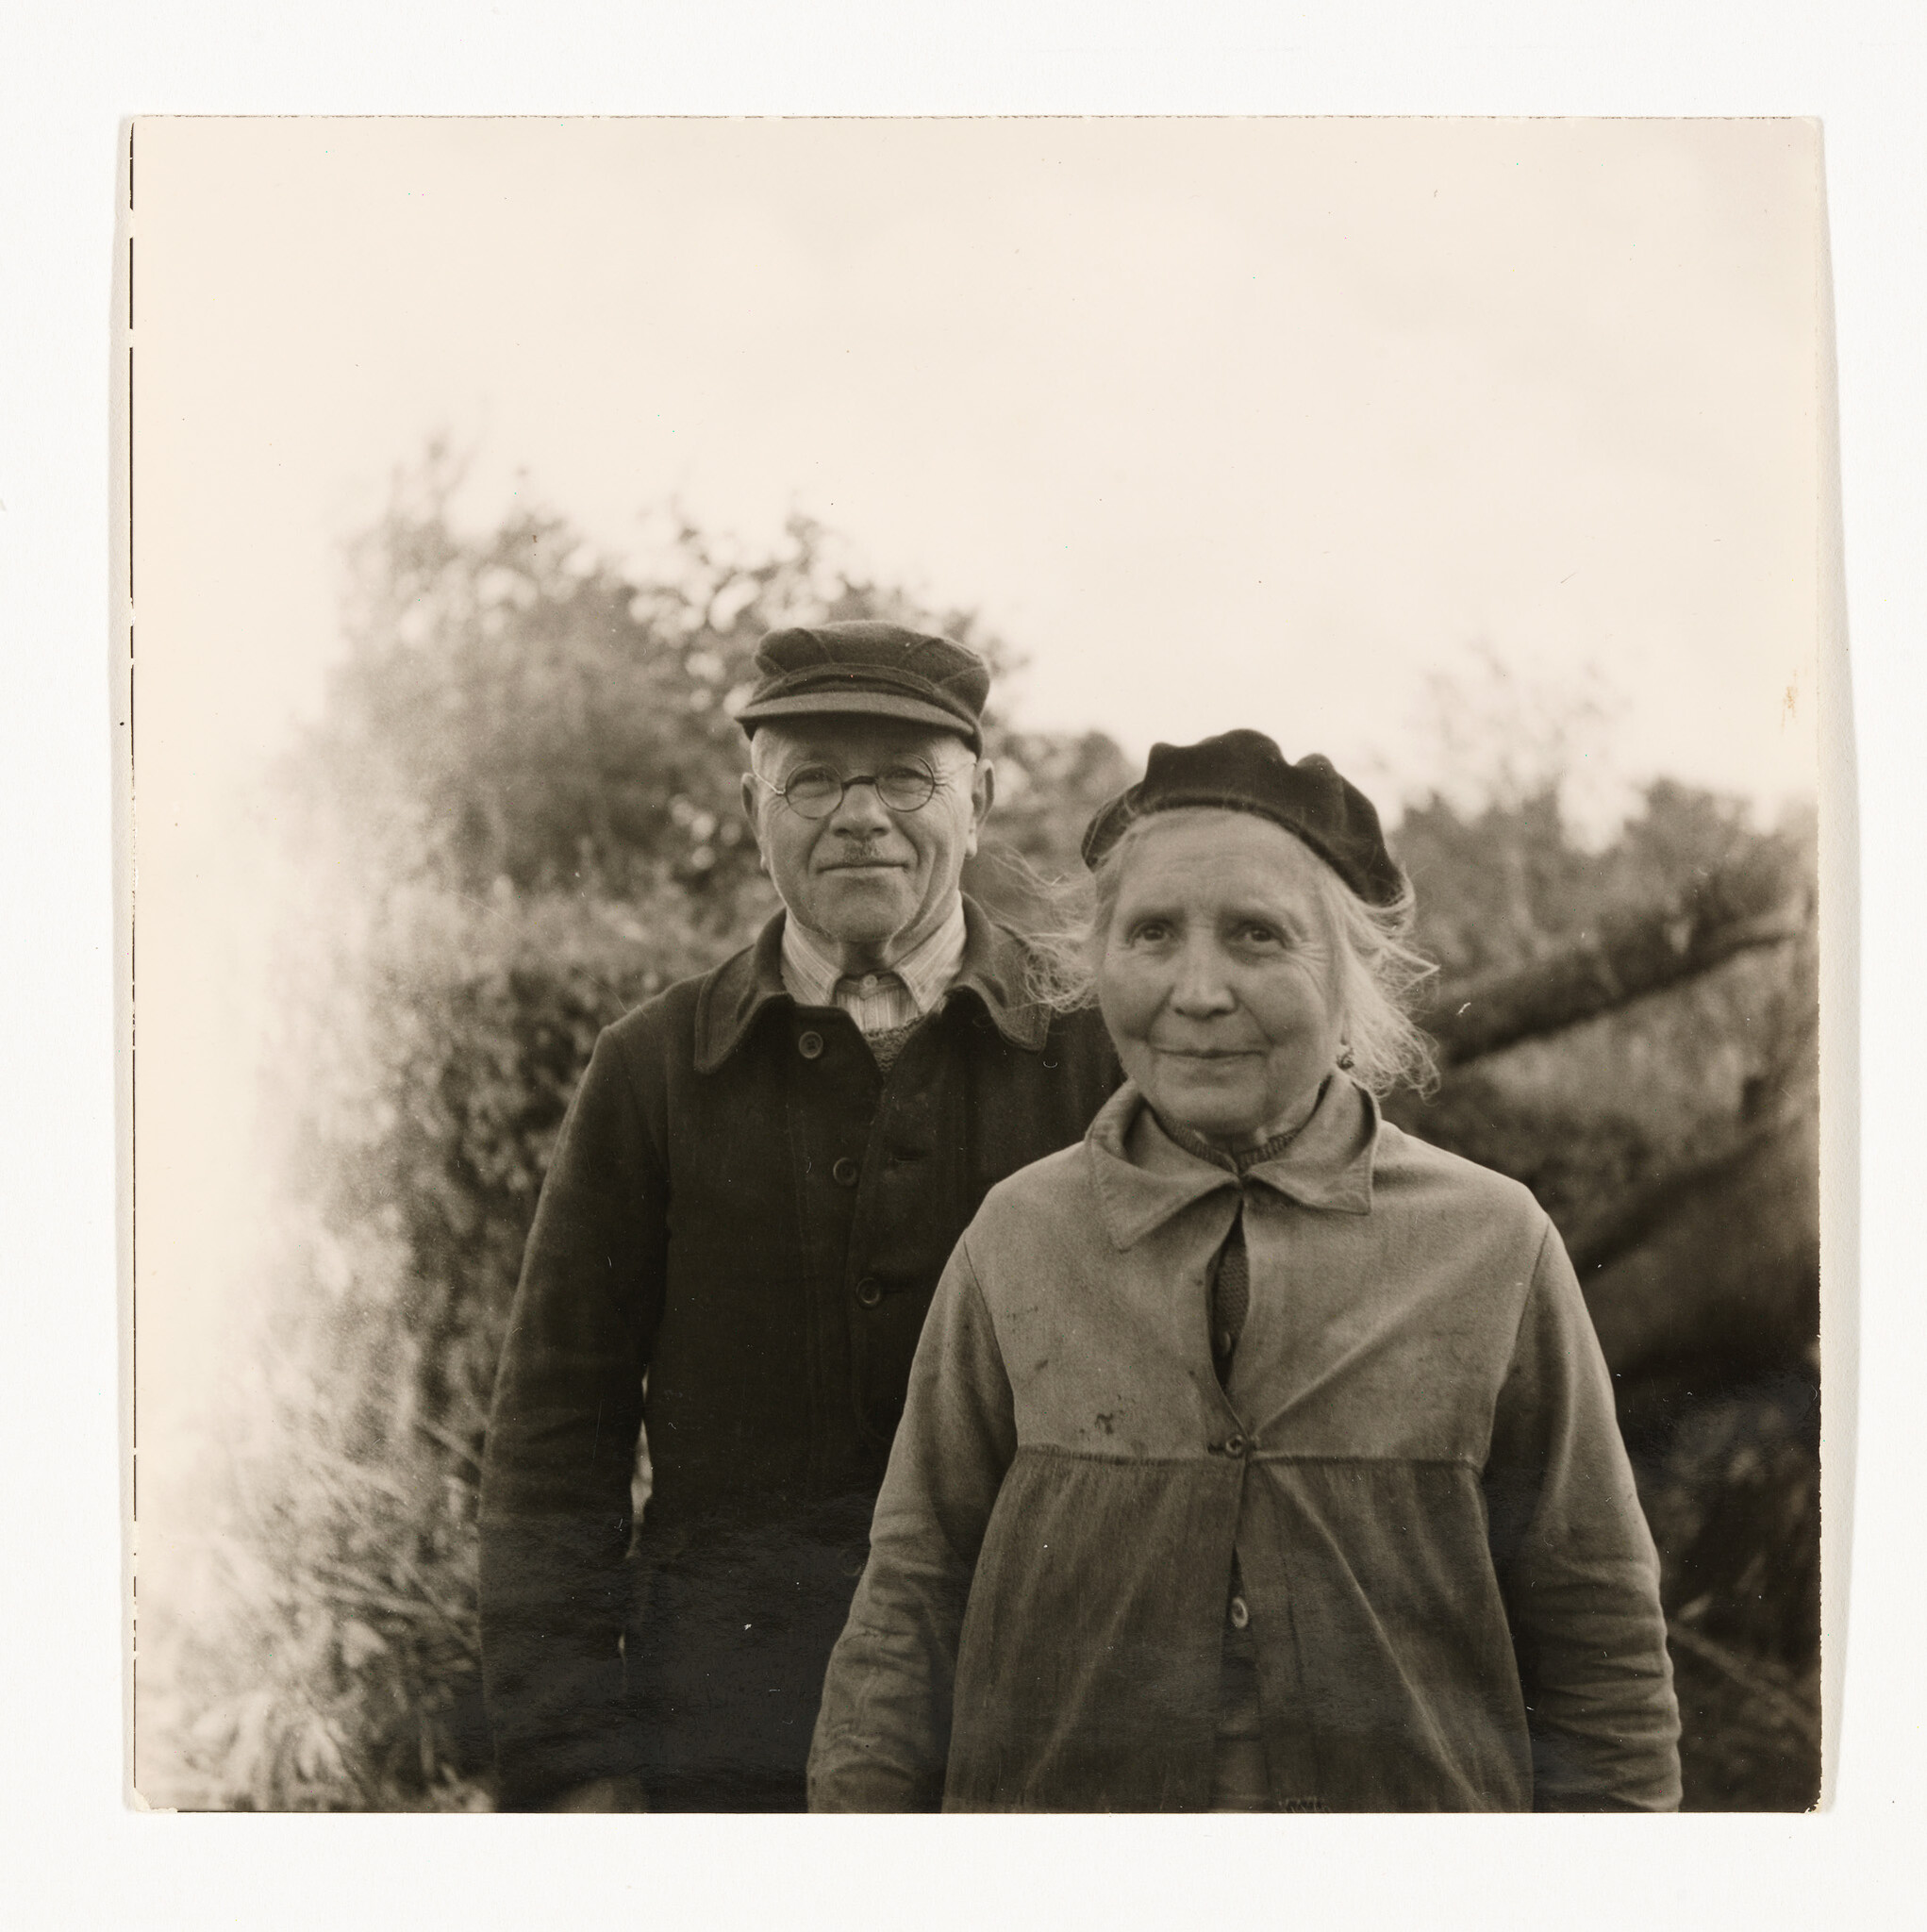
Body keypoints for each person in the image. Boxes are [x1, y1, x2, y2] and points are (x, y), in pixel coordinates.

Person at [806, 728, 1682, 1812]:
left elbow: (1599, 1631)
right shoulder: (1016, 1238)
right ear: (1099, 962)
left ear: (1352, 976)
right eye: (1154, 934)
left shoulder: (1494, 1244)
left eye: (1259, 936)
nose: (1199, 989)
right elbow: (910, 1602)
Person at [478, 620, 1119, 1811]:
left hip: (1038, 1730)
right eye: (813, 777)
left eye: (904, 776)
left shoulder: (1098, 1052)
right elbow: (554, 1441)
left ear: (977, 798)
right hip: (726, 1737)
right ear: (752, 804)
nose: (859, 813)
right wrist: (572, 1761)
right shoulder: (652, 1067)